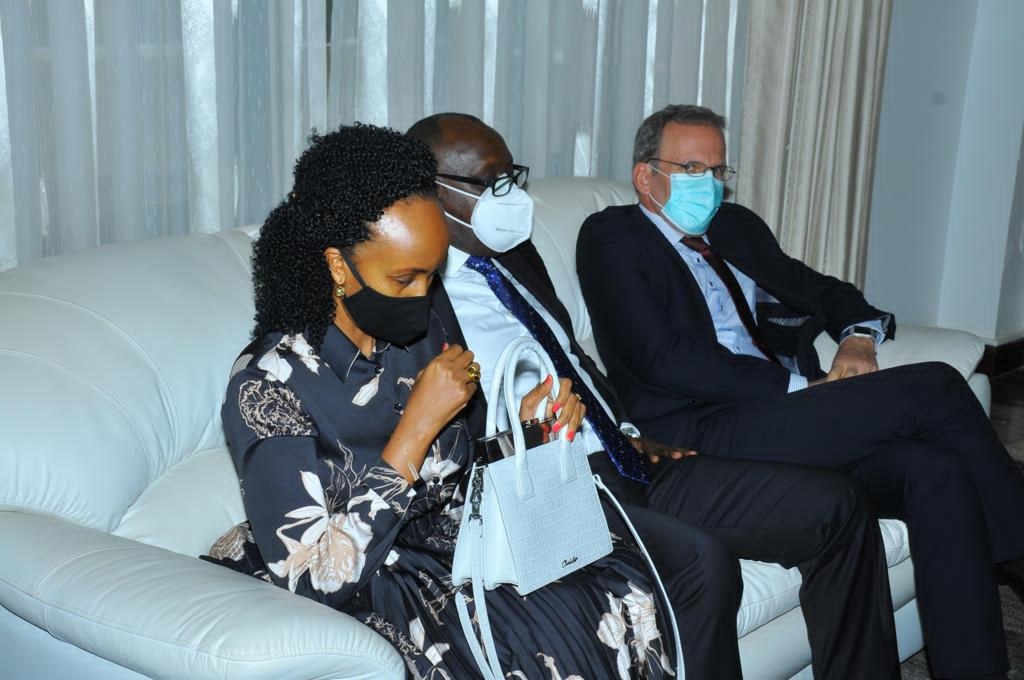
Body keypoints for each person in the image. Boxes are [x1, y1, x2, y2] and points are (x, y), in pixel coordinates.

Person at [409, 112, 902, 680]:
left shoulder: (514, 257)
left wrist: (629, 432)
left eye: (511, 177)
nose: (512, 198)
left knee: (836, 504)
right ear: (428, 191)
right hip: (553, 483)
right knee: (703, 561)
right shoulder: (413, 295)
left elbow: (571, 357)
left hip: (626, 456)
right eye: (489, 183)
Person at [206, 124, 680, 678]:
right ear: (337, 266)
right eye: (403, 279)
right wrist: (416, 429)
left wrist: (529, 432)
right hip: (365, 573)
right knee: (534, 636)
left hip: (449, 544)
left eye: (432, 278)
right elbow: (313, 577)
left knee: (617, 582)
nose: (422, 300)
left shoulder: (423, 332)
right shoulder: (267, 383)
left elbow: (465, 474)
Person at [576, 103, 1024, 680]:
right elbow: (663, 360)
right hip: (699, 429)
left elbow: (821, 290)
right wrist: (801, 387)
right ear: (646, 176)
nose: (707, 184)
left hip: (779, 420)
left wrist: (858, 337)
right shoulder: (613, 237)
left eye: (717, 170)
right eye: (690, 169)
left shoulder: (733, 228)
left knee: (935, 470)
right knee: (935, 385)